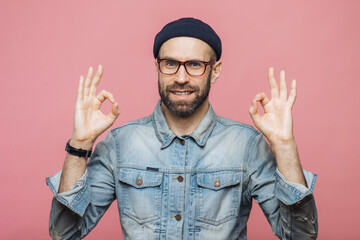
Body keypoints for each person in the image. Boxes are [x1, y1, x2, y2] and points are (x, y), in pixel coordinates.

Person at [47, 17, 318, 240]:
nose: (180, 77)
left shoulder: (246, 145)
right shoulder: (120, 143)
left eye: (195, 65)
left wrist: (284, 147)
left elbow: (300, 236)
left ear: (216, 70)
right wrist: (79, 144)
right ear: (158, 67)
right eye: (170, 63)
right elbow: (65, 232)